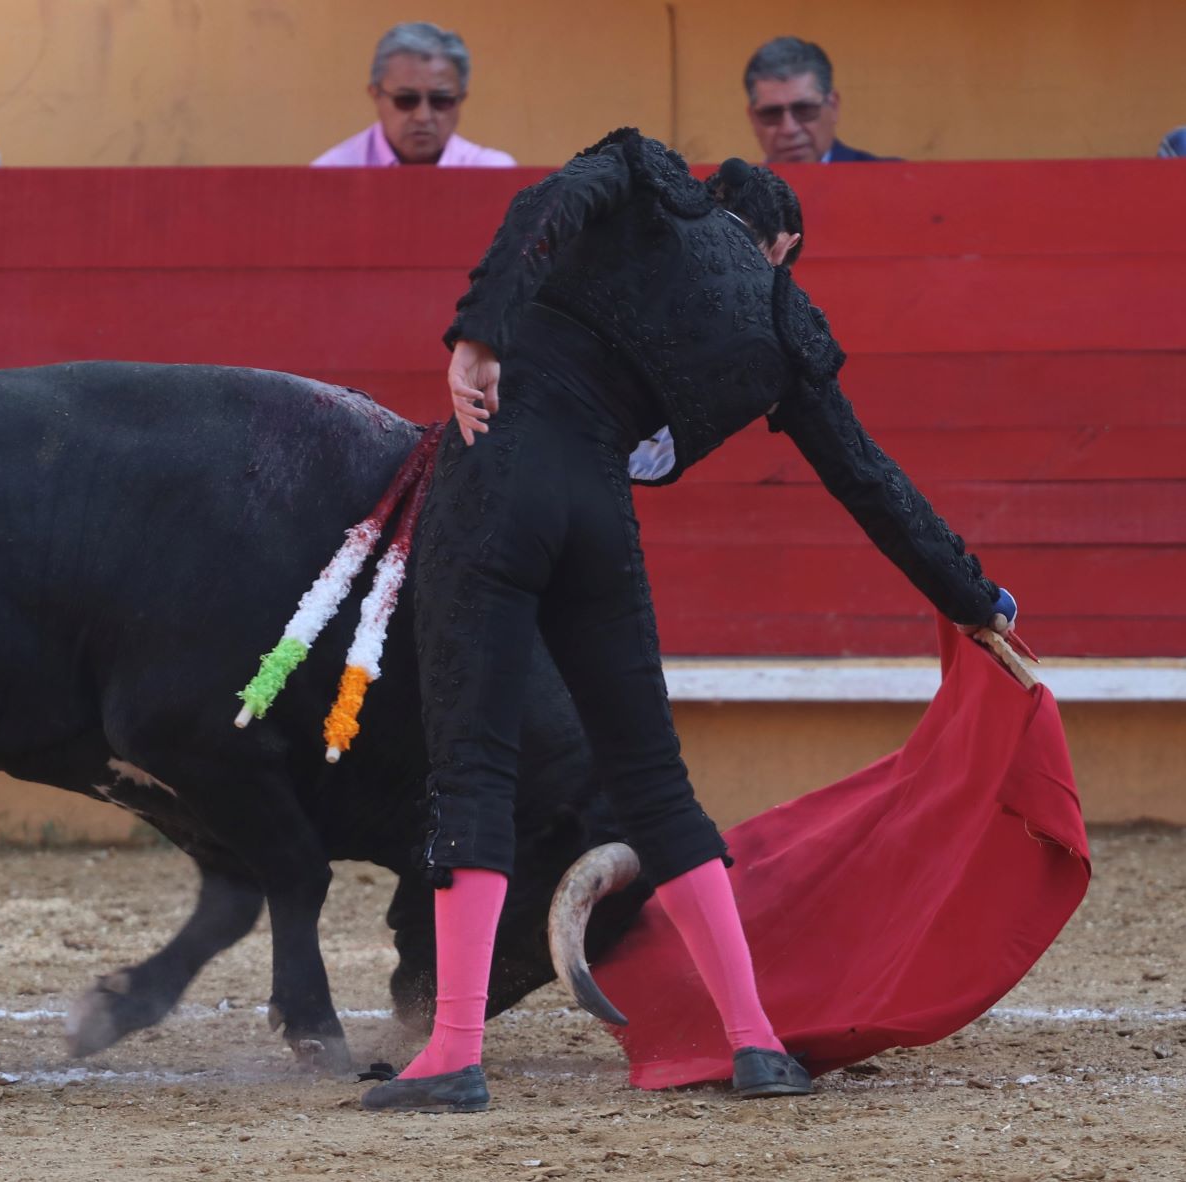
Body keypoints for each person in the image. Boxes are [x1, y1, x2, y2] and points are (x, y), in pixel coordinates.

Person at [359, 130, 1016, 1113]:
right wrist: (974, 598)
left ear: (714, 197)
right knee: (655, 781)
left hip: (495, 471)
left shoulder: (645, 180)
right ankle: (756, 1042)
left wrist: (478, 337)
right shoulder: (777, 315)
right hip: (598, 512)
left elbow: (541, 206)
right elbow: (866, 479)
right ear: (783, 247)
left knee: (474, 766)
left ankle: (453, 1052)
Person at [311, 22, 515, 168]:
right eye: (406, 100)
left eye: (441, 100)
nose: (423, 116)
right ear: (375, 95)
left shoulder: (493, 173)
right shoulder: (333, 172)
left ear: (461, 99)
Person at [743, 37, 890, 164]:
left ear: (833, 106)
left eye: (804, 109)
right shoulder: (737, 188)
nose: (789, 129)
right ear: (753, 119)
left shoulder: (889, 179)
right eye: (771, 114)